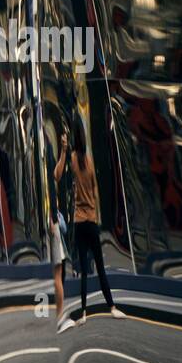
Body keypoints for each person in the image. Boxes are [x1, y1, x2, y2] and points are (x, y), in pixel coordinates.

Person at [67, 120, 125, 322]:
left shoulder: (72, 159)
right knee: (100, 267)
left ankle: (83, 313)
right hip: (91, 221)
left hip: (78, 221)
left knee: (83, 269)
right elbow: (95, 191)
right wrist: (96, 213)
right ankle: (112, 306)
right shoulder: (89, 161)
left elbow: (62, 177)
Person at [51, 131, 75, 332]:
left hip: (54, 222)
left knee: (60, 269)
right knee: (58, 272)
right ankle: (59, 316)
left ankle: (59, 313)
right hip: (52, 224)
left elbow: (57, 175)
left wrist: (64, 150)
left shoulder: (47, 172)